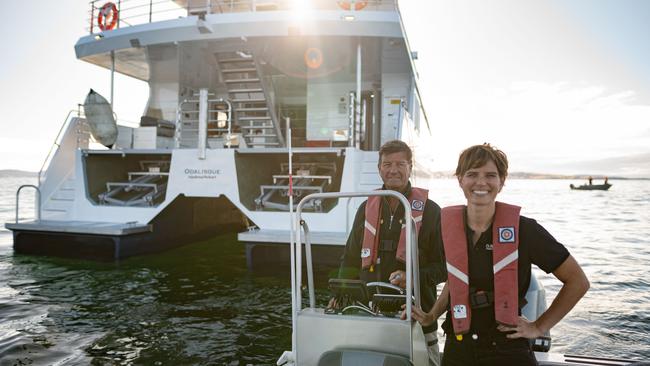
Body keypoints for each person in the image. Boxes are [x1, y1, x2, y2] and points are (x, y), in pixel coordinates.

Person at [411, 143, 590, 366]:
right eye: (472, 174)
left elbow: (578, 281)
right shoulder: (447, 228)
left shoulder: (525, 230)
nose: (481, 182)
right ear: (460, 180)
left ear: (502, 181)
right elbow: (454, 280)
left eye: (490, 175)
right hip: (459, 344)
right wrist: (431, 315)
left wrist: (538, 327)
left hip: (508, 346)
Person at [334, 140, 446, 366]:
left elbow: (444, 269)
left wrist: (413, 278)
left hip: (417, 317)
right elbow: (351, 258)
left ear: (410, 167)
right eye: (387, 164)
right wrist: (339, 294)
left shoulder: (432, 211)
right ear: (379, 169)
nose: (393, 170)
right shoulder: (366, 208)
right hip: (370, 316)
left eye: (400, 163)